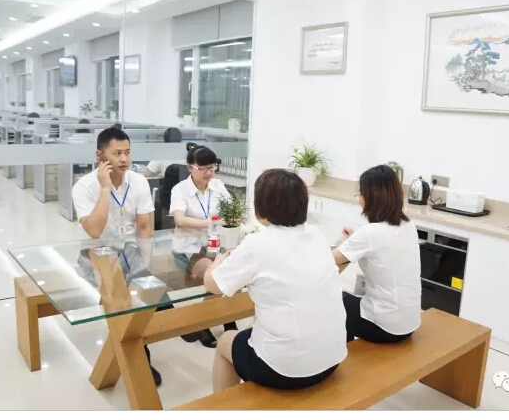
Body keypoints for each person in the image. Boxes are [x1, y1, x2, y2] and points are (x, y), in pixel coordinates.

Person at [202, 169, 347, 393]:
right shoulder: (317, 235)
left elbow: (213, 285)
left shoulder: (258, 243)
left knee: (225, 342)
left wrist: (215, 264)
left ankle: (223, 408)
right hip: (331, 358)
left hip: (283, 369)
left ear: (260, 209)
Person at [71, 127, 163, 386]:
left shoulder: (138, 181)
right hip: (97, 252)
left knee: (146, 289)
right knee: (119, 297)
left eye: (127, 152)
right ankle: (139, 354)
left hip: (131, 249)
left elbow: (144, 227)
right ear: (100, 156)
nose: (124, 159)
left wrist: (145, 267)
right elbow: (94, 230)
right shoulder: (84, 187)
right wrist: (105, 188)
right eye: (117, 153)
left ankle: (141, 337)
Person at [332, 165, 421, 343]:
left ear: (371, 198)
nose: (358, 199)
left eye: (360, 193)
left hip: (386, 328)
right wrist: (353, 243)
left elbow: (329, 262)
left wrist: (343, 243)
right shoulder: (408, 225)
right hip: (409, 322)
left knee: (334, 302)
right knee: (350, 301)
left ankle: (346, 354)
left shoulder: (370, 233)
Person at [169, 142, 236, 348]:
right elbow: (180, 220)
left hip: (216, 244)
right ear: (190, 167)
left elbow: (231, 212)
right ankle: (207, 322)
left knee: (234, 268)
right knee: (215, 272)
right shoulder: (180, 189)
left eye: (212, 167)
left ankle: (224, 317)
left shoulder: (218, 186)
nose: (209, 173)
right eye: (203, 168)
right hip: (189, 247)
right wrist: (211, 223)